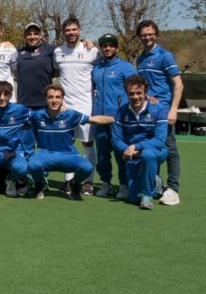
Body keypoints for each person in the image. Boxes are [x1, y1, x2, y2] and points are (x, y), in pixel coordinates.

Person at [27, 84, 114, 200]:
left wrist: (117, 119)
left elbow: (94, 120)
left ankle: (74, 184)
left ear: (62, 99)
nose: (54, 100)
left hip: (68, 155)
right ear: (46, 99)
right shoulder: (37, 116)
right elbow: (19, 122)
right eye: (50, 97)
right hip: (45, 154)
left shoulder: (71, 114)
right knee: (32, 165)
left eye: (57, 97)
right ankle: (40, 183)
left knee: (87, 167)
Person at [135, 20, 184, 206]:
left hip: (163, 111)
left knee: (170, 147)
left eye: (151, 34)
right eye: (144, 34)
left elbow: (178, 84)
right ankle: (156, 183)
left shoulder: (166, 56)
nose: (147, 37)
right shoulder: (140, 59)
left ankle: (173, 189)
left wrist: (173, 109)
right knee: (151, 148)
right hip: (148, 112)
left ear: (156, 34)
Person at [53, 17, 100, 194]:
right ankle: (68, 181)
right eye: (68, 30)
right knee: (67, 144)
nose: (71, 33)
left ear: (80, 30)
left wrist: (91, 42)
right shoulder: (58, 52)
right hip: (65, 107)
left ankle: (88, 181)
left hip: (86, 105)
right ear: (63, 32)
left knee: (88, 144)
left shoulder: (92, 50)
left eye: (74, 29)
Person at [111, 75, 169, 210]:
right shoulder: (121, 112)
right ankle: (155, 182)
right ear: (126, 94)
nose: (135, 97)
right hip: (131, 153)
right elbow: (116, 139)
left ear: (145, 93)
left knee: (147, 155)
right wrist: (127, 149)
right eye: (131, 93)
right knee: (133, 199)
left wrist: (136, 147)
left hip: (155, 151)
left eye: (139, 93)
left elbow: (159, 140)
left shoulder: (158, 109)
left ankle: (147, 196)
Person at [91, 33, 136, 198]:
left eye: (111, 45)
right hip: (99, 119)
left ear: (116, 47)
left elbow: (138, 88)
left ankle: (124, 185)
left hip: (118, 120)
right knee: (102, 155)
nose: (107, 48)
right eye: (104, 45)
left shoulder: (125, 67)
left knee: (120, 153)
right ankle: (105, 183)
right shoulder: (96, 68)